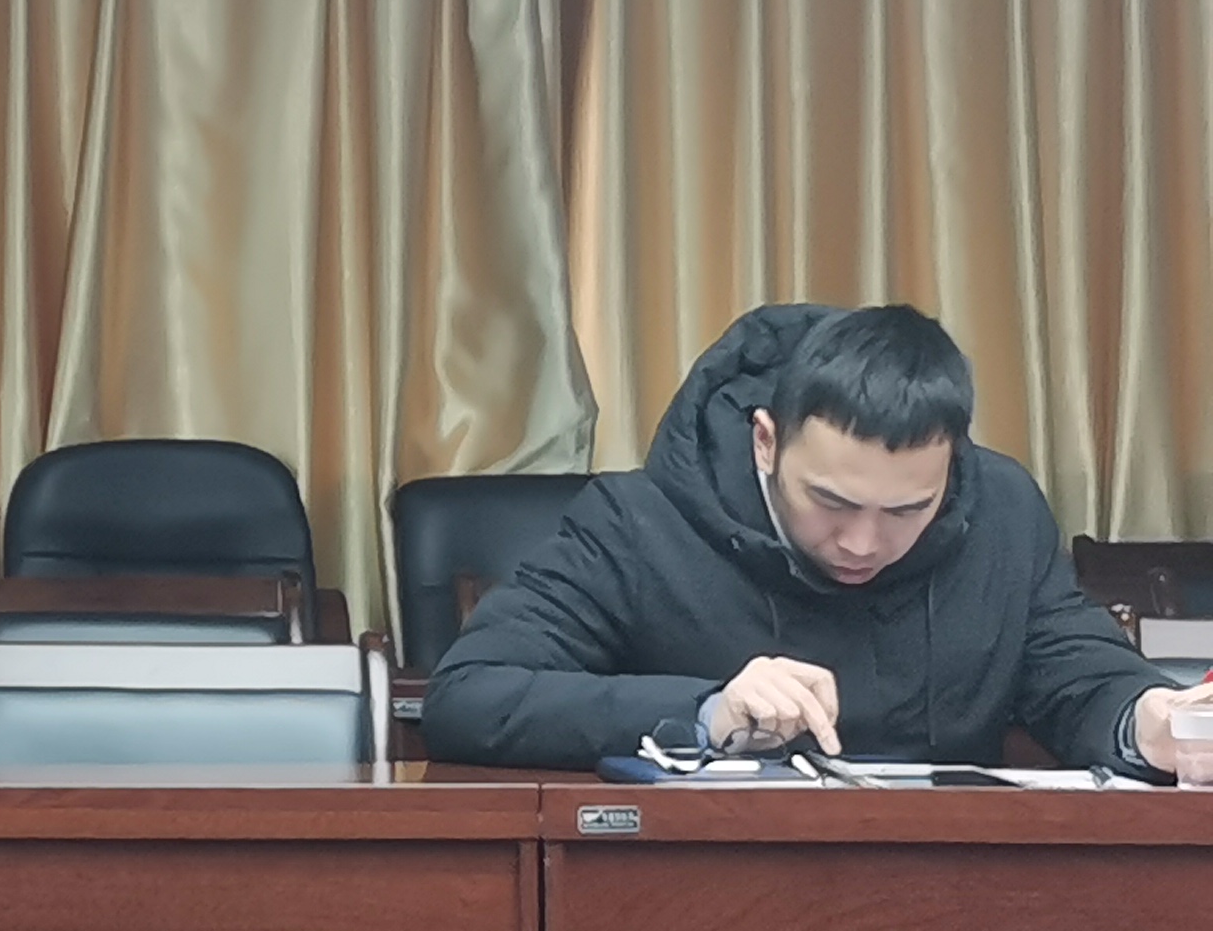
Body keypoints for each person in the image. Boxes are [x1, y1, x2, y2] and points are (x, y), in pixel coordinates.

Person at [426, 302, 1213, 772]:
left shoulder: (1000, 511)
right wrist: (706, 713)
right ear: (766, 441)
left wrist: (1147, 720)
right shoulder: (638, 525)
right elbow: (469, 697)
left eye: (907, 511)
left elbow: (1072, 671)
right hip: (700, 896)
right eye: (831, 502)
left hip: (955, 900)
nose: (863, 542)